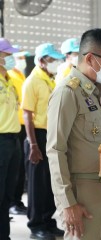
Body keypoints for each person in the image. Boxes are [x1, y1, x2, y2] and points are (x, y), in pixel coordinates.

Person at [47, 28, 101, 240]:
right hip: (82, 192)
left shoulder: (95, 92)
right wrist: (68, 203)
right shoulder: (67, 93)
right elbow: (55, 150)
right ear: (90, 58)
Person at [21, 43, 64, 239]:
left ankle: (47, 220)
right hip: (37, 136)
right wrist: (33, 145)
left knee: (50, 182)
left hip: (51, 135)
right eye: (52, 59)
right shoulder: (32, 81)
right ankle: (36, 224)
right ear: (41, 60)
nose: (55, 62)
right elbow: (27, 115)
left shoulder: (50, 79)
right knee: (37, 184)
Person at [0, 38, 21, 240]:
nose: (10, 58)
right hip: (1, 141)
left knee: (8, 193)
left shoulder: (9, 80)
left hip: (12, 140)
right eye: (7, 55)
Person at [8, 47, 30, 215]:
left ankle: (16, 200)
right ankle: (13, 202)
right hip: (13, 127)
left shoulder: (18, 75)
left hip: (20, 126)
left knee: (20, 168)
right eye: (19, 57)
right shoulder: (11, 76)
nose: (22, 60)